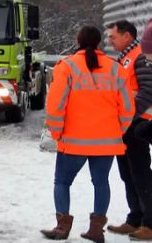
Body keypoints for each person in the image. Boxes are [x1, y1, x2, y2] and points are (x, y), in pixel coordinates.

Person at [41, 25, 134, 242]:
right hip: (106, 141)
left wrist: (56, 132)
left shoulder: (67, 66)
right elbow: (128, 107)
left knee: (62, 182)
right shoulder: (116, 68)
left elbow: (55, 105)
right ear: (99, 42)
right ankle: (96, 231)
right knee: (101, 183)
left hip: (73, 141)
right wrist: (117, 130)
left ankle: (62, 227)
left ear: (78, 40)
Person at [109, 19, 152, 240]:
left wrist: (129, 117)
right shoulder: (125, 57)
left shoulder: (140, 56)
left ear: (127, 36)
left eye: (113, 37)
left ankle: (149, 223)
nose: (109, 41)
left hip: (138, 124)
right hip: (125, 125)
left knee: (141, 174)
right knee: (128, 174)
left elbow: (148, 90)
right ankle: (135, 218)